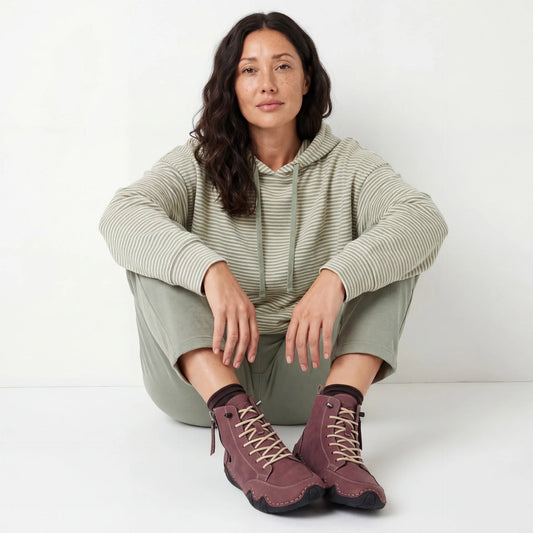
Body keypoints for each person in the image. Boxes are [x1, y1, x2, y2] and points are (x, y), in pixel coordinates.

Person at [98, 11, 448, 514]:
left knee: (394, 252)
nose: (267, 83)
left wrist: (336, 278)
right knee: (154, 252)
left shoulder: (348, 164)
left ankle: (330, 434)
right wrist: (210, 270)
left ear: (306, 79)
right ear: (231, 86)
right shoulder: (197, 162)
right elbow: (121, 215)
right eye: (249, 70)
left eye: (282, 66)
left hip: (309, 377)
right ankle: (240, 433)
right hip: (205, 385)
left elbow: (424, 219)